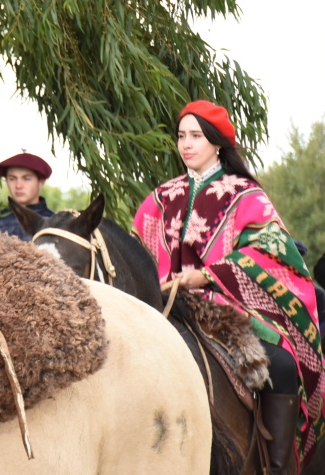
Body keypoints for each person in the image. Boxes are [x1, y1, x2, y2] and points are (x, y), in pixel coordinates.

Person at [132, 100, 324, 472]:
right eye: (181, 136)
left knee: (282, 365)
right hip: (165, 304)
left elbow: (275, 251)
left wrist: (205, 275)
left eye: (196, 137)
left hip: (229, 304)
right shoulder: (161, 198)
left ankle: (279, 468)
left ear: (217, 143)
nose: (186, 144)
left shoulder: (246, 196)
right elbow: (138, 250)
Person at [0, 152, 54, 240]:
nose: (18, 185)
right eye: (12, 179)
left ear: (41, 182)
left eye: (26, 179)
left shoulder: (55, 224)